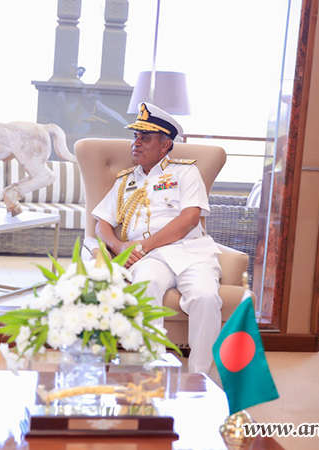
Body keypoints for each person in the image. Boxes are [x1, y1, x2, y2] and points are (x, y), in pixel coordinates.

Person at [92, 102, 222, 374]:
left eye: (145, 137)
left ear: (166, 145)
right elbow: (101, 223)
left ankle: (199, 376)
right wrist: (119, 247)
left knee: (206, 297)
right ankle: (155, 373)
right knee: (146, 285)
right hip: (150, 259)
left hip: (190, 252)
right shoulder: (125, 180)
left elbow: (190, 218)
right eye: (135, 136)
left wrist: (142, 246)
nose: (136, 143)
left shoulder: (186, 172)